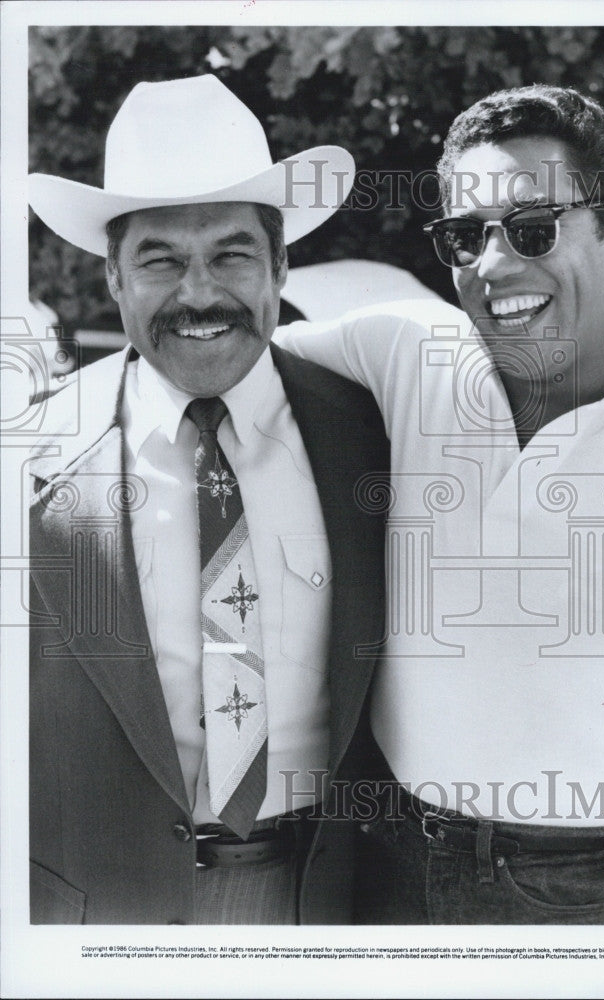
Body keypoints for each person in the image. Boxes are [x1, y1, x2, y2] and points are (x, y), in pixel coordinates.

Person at [276, 84, 604, 924]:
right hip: (379, 857)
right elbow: (232, 359)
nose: (492, 266)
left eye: (534, 229)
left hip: (583, 889)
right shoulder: (402, 350)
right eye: (465, 236)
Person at [26, 74, 390, 925]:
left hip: (322, 907)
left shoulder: (372, 438)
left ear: (279, 265)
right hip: (94, 921)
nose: (198, 293)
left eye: (230, 253)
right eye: (159, 260)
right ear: (113, 279)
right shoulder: (27, 455)